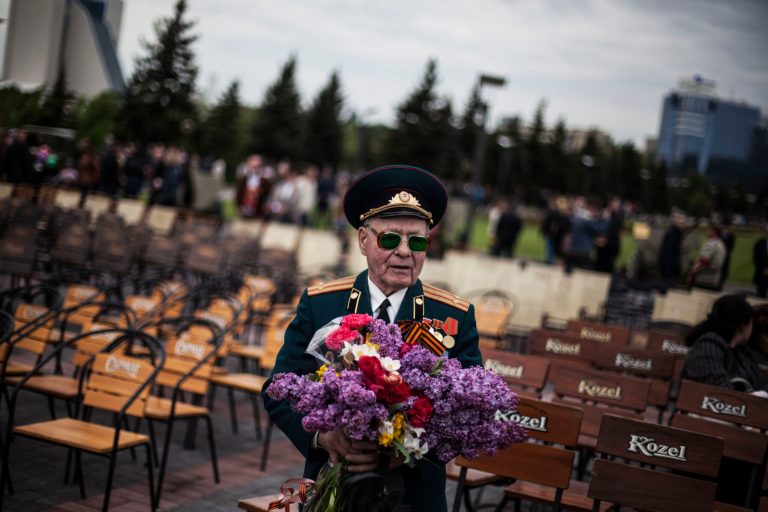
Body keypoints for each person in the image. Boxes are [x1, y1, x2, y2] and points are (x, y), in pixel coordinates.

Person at [263, 165, 482, 512]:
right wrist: (322, 437)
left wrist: (405, 450)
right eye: (391, 238)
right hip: (334, 488)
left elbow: (470, 412)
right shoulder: (322, 303)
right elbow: (278, 388)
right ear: (363, 240)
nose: (405, 251)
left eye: (418, 240)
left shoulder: (454, 317)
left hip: (415, 496)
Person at [681, 294, 754, 390]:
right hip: (707, 402)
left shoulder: (740, 353)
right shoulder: (708, 347)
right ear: (743, 324)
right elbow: (720, 389)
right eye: (751, 323)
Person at [688, 223, 727, 290]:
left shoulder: (714, 244)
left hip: (706, 279)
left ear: (714, 232)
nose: (706, 231)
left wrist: (693, 271)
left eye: (708, 230)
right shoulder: (713, 242)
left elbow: (705, 261)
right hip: (705, 278)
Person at [658, 210, 687, 288]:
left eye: (683, 220)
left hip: (673, 270)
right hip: (669, 272)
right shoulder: (671, 234)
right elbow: (666, 255)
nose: (683, 222)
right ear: (676, 221)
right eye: (680, 220)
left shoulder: (678, 233)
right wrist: (668, 274)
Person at [753, 223, 768, 298]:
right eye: (766, 231)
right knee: (760, 295)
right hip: (761, 273)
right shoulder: (759, 243)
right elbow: (756, 258)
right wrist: (764, 269)